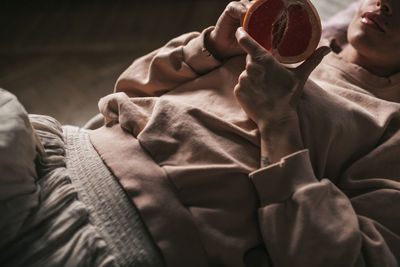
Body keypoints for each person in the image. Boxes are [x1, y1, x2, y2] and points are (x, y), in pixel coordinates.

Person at [1, 0, 399, 266]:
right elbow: (128, 90)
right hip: (56, 158)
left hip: (108, 241)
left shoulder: (390, 131)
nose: (388, 5)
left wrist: (277, 124)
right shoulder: (279, 37)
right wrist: (209, 46)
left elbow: (337, 257)